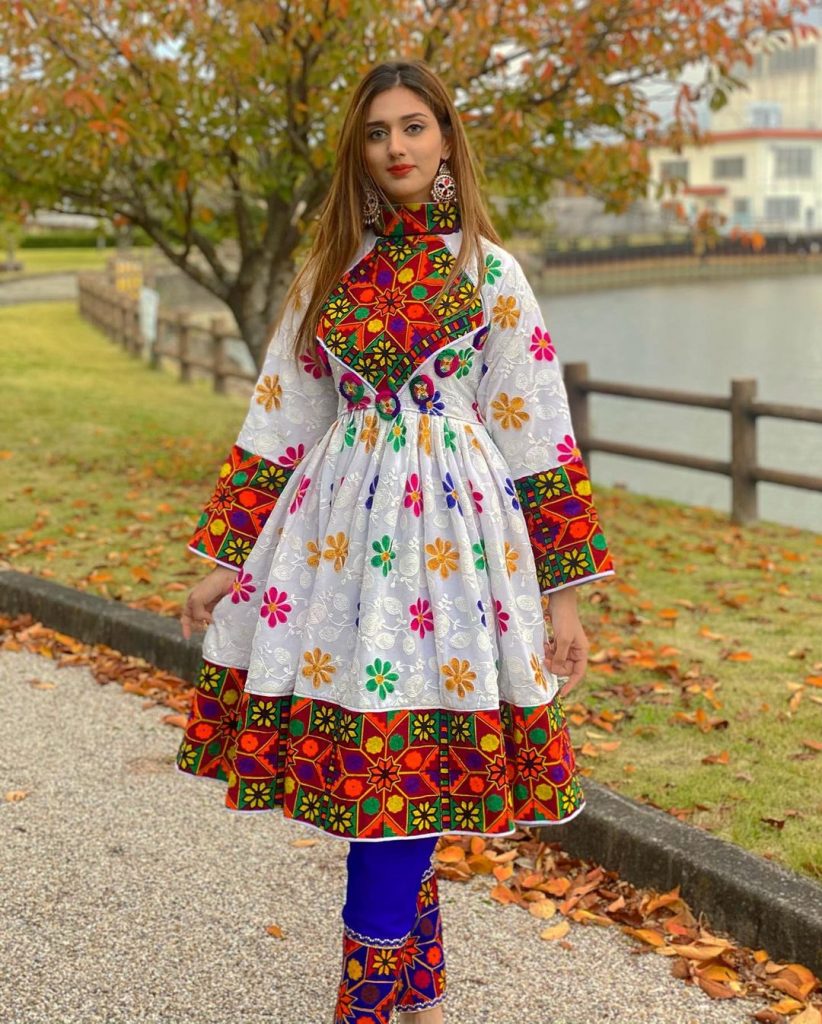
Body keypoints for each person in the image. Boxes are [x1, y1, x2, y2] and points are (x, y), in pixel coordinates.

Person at [175, 59, 615, 1024]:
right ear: (359, 154)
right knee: (378, 765)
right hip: (340, 550)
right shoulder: (329, 276)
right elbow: (280, 422)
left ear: (446, 139)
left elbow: (538, 431)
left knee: (401, 765)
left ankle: (368, 1001)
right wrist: (222, 563)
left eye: (414, 127)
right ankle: (411, 986)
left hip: (457, 551)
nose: (397, 148)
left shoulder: (487, 273)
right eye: (378, 134)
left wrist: (564, 598)